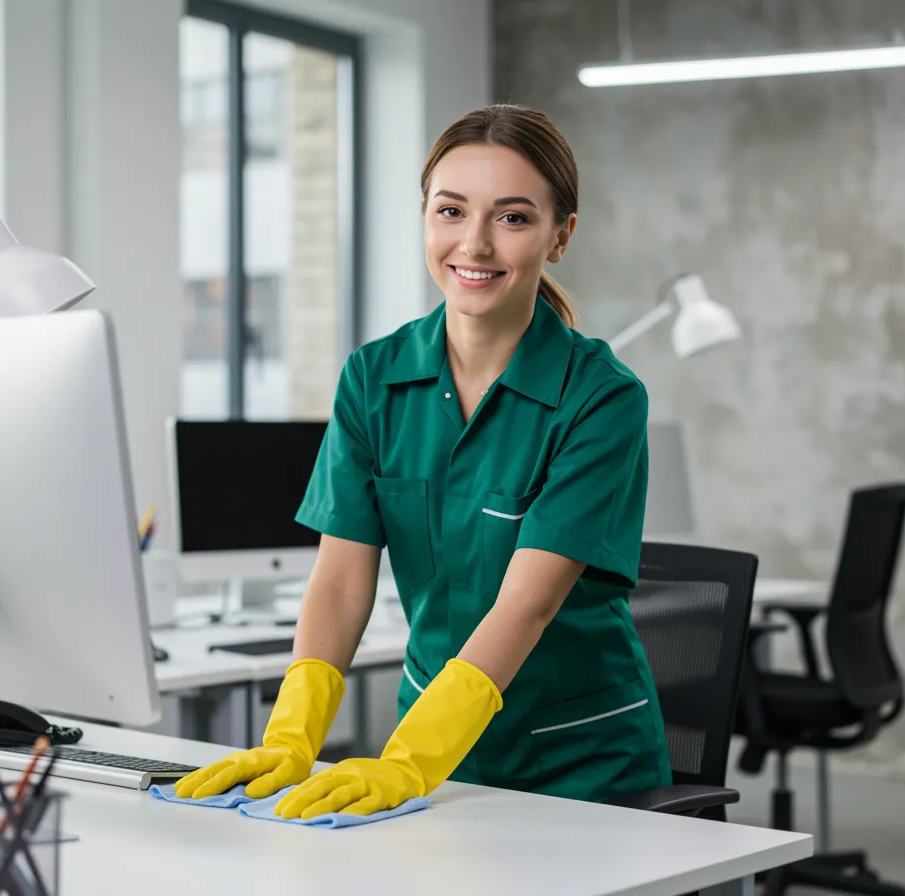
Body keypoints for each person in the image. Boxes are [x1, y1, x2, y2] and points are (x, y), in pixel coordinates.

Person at [175, 104, 670, 818]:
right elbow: (340, 581)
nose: (474, 243)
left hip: (579, 761)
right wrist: (293, 737)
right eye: (450, 211)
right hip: (432, 749)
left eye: (512, 217)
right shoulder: (372, 379)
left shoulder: (601, 397)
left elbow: (527, 604)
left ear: (561, 236)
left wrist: (410, 762)